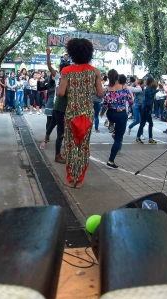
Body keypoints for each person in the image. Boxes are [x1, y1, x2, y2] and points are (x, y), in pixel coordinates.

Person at [56, 38, 104, 189]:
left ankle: (70, 179)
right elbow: (101, 94)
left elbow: (61, 93)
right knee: (83, 147)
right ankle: (80, 180)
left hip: (71, 114)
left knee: (70, 146)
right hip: (88, 114)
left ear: (72, 53)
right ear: (89, 53)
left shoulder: (66, 71)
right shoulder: (95, 71)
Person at [101, 69, 133, 169]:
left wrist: (102, 112)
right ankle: (111, 160)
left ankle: (114, 131)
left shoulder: (107, 89)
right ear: (117, 77)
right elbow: (131, 101)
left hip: (110, 114)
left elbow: (105, 104)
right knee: (119, 139)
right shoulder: (124, 88)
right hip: (121, 114)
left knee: (116, 128)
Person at [40, 47, 58, 150]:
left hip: (60, 105)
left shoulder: (65, 79)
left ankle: (59, 147)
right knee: (50, 122)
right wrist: (48, 55)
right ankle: (46, 138)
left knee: (59, 124)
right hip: (51, 104)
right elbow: (49, 66)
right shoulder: (55, 80)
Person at [136, 77, 158, 144]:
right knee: (143, 123)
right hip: (146, 107)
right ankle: (138, 137)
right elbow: (150, 95)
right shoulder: (148, 88)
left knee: (150, 123)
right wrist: (157, 90)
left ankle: (150, 139)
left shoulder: (149, 88)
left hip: (147, 107)